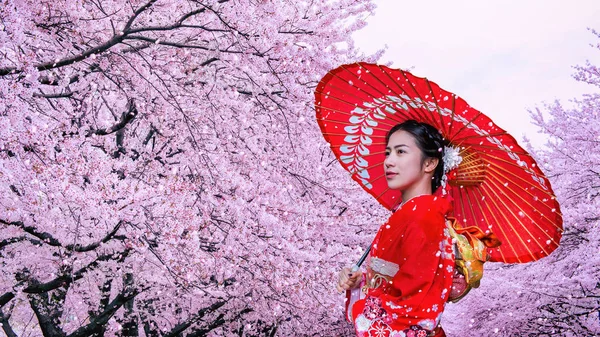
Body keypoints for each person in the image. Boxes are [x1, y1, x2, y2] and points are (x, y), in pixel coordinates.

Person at [336, 120, 455, 337]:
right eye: (388, 152)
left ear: (429, 163)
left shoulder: (424, 217)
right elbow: (392, 280)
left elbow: (414, 308)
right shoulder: (409, 213)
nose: (389, 161)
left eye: (401, 152)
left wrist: (362, 306)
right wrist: (360, 282)